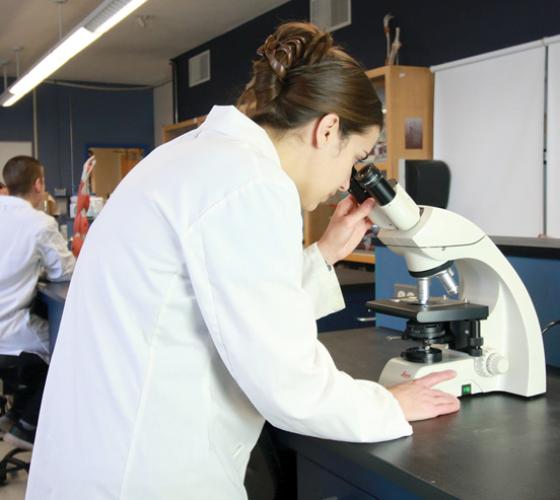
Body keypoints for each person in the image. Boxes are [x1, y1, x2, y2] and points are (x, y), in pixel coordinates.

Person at [26, 22, 459, 499]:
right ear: (328, 128)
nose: (343, 182)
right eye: (353, 156)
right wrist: (387, 405)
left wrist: (326, 252)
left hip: (98, 460)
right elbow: (288, 381)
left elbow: (225, 300)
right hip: (144, 473)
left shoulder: (193, 158)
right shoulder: (252, 184)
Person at [0, 156, 75, 450]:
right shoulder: (39, 223)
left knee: (40, 345)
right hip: (9, 332)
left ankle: (16, 413)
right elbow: (65, 270)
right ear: (38, 184)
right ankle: (27, 427)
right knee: (67, 350)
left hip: (7, 327)